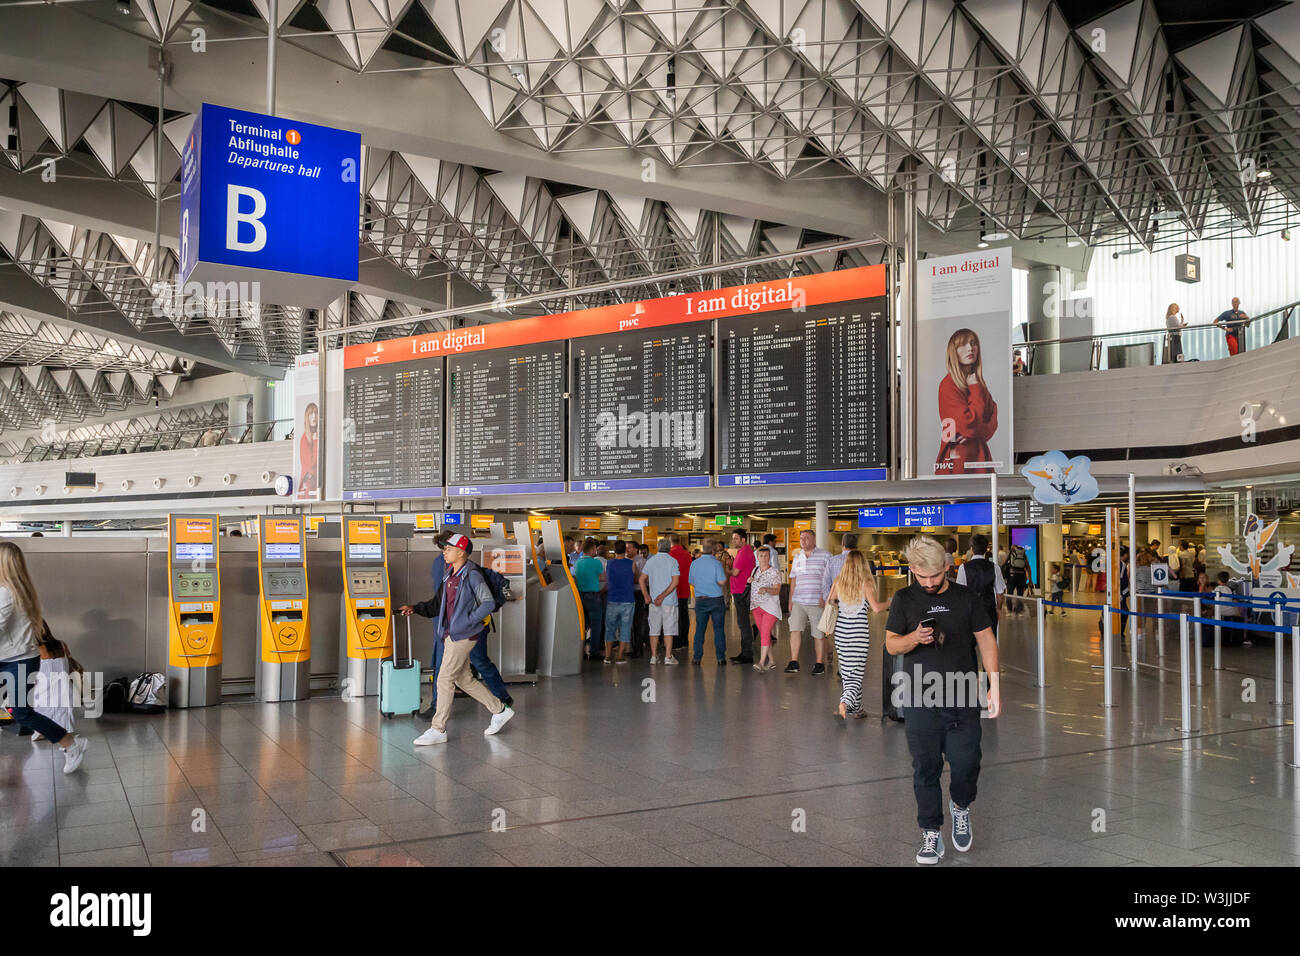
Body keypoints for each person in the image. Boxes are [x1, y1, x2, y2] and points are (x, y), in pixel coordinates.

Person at [885, 536, 1000, 864]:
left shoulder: (967, 598)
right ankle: (931, 832)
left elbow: (987, 641)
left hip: (963, 694)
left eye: (936, 576)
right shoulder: (903, 599)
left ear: (947, 568)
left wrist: (994, 685)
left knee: (967, 763)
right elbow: (892, 645)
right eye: (923, 577)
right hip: (920, 697)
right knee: (926, 767)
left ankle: (961, 806)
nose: (930, 582)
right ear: (913, 570)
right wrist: (913, 638)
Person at [408, 534, 514, 744]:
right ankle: (500, 710)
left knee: (444, 678)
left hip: (464, 634)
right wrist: (415, 608)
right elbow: (438, 603)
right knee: (463, 678)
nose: (444, 552)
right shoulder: (450, 574)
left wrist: (468, 621)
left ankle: (438, 729)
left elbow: (488, 603)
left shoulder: (472, 574)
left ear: (461, 552)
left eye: (448, 549)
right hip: (451, 633)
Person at [0, 542, 88, 771]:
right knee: (21, 711)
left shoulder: (7, 592)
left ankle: (70, 744)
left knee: (21, 712)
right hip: (9, 657)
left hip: (17, 659)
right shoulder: (15, 588)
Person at [828, 551, 890, 719]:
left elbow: (830, 601)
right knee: (856, 673)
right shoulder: (866, 583)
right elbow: (876, 608)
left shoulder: (839, 582)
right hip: (858, 634)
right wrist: (890, 601)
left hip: (841, 633)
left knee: (849, 673)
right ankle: (844, 703)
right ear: (863, 565)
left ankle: (857, 709)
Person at [935, 328, 998, 475]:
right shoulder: (948, 385)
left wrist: (977, 430)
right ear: (953, 351)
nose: (970, 348)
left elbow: (992, 421)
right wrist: (975, 389)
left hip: (980, 457)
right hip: (958, 458)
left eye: (973, 343)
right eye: (962, 345)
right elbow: (969, 425)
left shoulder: (977, 383)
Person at [786, 529, 832, 675]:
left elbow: (829, 579)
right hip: (799, 600)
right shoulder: (798, 557)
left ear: (814, 539)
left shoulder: (825, 555)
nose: (803, 540)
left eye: (806, 537)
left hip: (817, 602)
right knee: (795, 629)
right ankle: (794, 662)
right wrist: (790, 599)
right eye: (801, 538)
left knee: (818, 633)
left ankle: (819, 663)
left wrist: (824, 597)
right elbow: (793, 580)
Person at [30, 623, 82, 743]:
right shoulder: (62, 645)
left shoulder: (34, 649)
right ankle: (63, 730)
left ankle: (47, 731)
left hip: (44, 693)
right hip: (65, 692)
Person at [640, 539, 680, 664]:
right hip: (669, 601)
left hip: (653, 602)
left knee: (654, 629)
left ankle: (653, 656)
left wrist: (646, 595)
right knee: (669, 629)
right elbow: (675, 582)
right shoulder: (673, 561)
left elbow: (641, 579)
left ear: (657, 547)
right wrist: (662, 596)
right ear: (669, 548)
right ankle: (668, 657)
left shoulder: (651, 561)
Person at [956, 533, 1005, 634]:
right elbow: (1000, 592)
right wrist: (998, 609)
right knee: (990, 641)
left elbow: (960, 593)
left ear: (971, 549)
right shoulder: (994, 567)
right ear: (986, 548)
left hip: (970, 610)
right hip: (989, 610)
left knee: (970, 643)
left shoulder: (963, 567)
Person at [750, 547, 783, 672]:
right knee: (765, 634)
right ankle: (772, 661)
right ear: (757, 558)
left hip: (770, 607)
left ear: (770, 557)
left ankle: (761, 663)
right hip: (756, 607)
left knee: (764, 633)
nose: (763, 558)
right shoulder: (755, 570)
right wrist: (750, 580)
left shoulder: (774, 572)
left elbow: (777, 590)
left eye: (766, 556)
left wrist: (766, 589)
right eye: (761, 556)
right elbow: (755, 583)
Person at [602, 541, 636, 664]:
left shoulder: (608, 563)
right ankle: (620, 656)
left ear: (614, 550)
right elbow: (636, 578)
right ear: (625, 551)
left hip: (612, 599)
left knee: (610, 628)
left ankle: (607, 655)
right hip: (628, 600)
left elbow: (606, 579)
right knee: (625, 628)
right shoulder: (632, 564)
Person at [573, 540, 605, 660]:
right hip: (593, 596)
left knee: (582, 624)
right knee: (596, 625)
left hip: (580, 596)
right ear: (592, 550)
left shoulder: (578, 562)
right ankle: (594, 652)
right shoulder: (596, 563)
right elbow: (602, 578)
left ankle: (579, 651)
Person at [728, 530, 757, 664]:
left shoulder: (744, 553)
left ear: (743, 540)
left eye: (736, 538)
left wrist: (725, 568)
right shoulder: (744, 552)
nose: (734, 541)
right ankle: (745, 652)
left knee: (743, 623)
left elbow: (735, 572)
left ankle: (747, 654)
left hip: (741, 591)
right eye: (733, 538)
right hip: (741, 590)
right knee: (743, 622)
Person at [669, 534, 693, 653]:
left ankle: (676, 642)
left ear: (670, 541)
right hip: (685, 589)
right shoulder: (687, 554)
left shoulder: (670, 554)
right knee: (684, 615)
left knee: (674, 617)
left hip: (673, 590)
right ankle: (684, 641)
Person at [629, 541, 649, 657]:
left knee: (637, 621)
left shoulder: (643, 562)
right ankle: (633, 646)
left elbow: (645, 580)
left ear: (636, 549)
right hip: (629, 593)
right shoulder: (626, 561)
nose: (627, 550)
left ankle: (638, 647)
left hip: (638, 593)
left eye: (629, 548)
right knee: (630, 621)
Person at [297, 401, 319, 497]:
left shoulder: (318, 435)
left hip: (315, 484)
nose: (314, 416)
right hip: (308, 488)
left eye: (316, 413)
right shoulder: (304, 439)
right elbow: (311, 464)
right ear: (307, 417)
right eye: (311, 414)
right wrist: (315, 441)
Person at [1003, 542, 1030, 614]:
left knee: (1009, 593)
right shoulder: (1024, 555)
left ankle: (1009, 610)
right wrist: (1029, 578)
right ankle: (1019, 610)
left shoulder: (1011, 553)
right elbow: (1027, 566)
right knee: (1020, 594)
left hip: (1012, 576)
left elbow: (1004, 563)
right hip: (1021, 576)